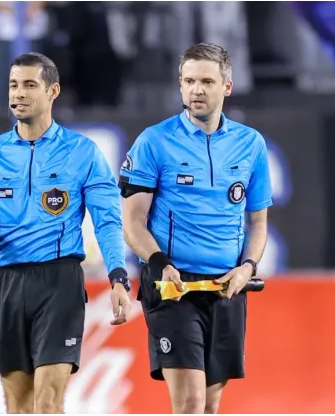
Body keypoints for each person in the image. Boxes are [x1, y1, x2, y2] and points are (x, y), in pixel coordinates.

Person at [0, 52, 133, 414]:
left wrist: (118, 276)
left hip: (59, 283)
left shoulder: (82, 152)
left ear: (52, 91)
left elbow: (107, 220)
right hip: (6, 284)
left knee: (48, 402)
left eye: (29, 85)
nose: (19, 94)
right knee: (18, 406)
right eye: (13, 85)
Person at [120, 43, 273, 414]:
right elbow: (132, 222)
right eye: (188, 81)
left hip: (226, 286)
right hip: (172, 288)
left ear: (227, 87)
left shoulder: (250, 144)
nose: (196, 90)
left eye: (206, 81)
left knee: (210, 404)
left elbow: (257, 222)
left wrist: (247, 267)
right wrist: (160, 263)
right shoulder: (154, 141)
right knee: (189, 402)